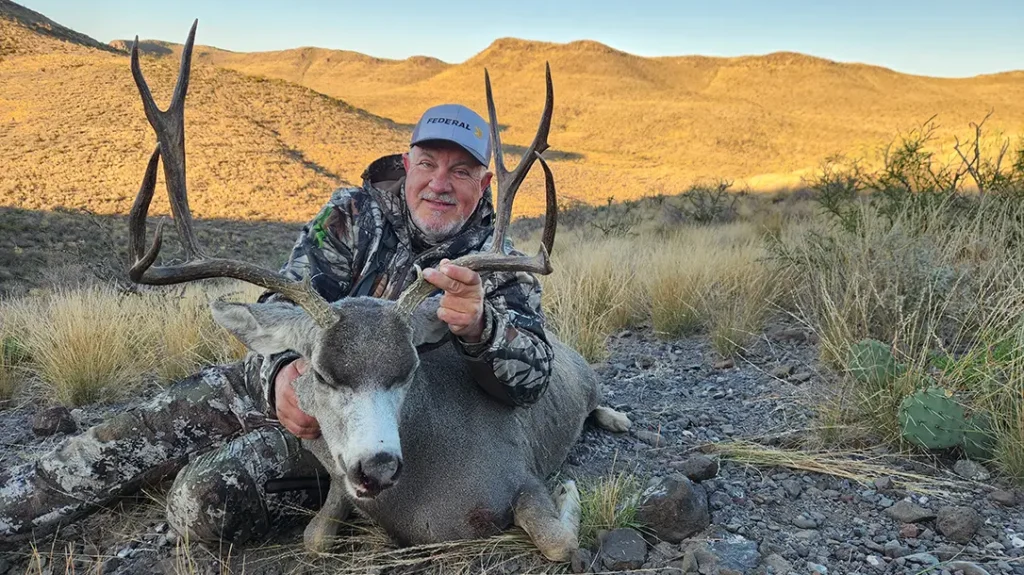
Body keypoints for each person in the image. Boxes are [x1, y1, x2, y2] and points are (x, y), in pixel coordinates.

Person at [0, 103, 554, 547]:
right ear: (407, 165)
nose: (440, 183)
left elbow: (533, 382)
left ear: (485, 183)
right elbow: (278, 300)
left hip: (370, 431)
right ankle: (14, 509)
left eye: (461, 171)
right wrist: (283, 372)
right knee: (123, 438)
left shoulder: (497, 263)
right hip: (302, 380)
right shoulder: (350, 216)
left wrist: (482, 327)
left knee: (203, 503)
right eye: (429, 163)